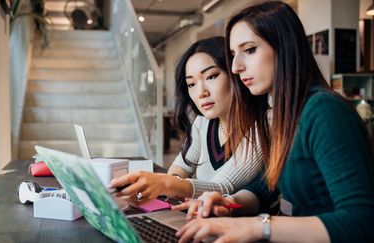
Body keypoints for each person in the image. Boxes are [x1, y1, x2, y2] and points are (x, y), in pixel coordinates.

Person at [175, 2, 374, 242]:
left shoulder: (323, 111)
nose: (236, 68)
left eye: (249, 50)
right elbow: (266, 186)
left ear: (284, 47)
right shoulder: (279, 113)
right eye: (232, 55)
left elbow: (362, 221)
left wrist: (259, 226)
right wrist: (231, 203)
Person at [109, 36, 262, 205]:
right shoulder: (202, 123)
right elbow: (182, 166)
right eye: (191, 84)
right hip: (198, 218)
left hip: (238, 226)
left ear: (235, 74)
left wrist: (167, 184)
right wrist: (169, 187)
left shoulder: (262, 127)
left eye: (211, 76)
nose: (201, 92)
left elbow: (222, 185)